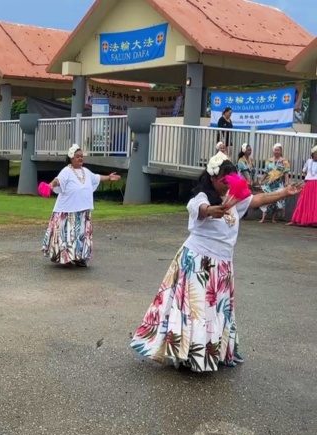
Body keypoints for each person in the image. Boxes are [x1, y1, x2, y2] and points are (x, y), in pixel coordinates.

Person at [129, 152, 303, 372]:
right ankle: (190, 355)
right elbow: (199, 209)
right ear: (212, 178)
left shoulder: (234, 199)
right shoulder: (202, 196)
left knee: (215, 310)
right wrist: (212, 210)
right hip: (199, 262)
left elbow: (256, 199)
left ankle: (210, 352)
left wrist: (284, 192)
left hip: (222, 266)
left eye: (229, 181)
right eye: (223, 181)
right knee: (197, 310)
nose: (226, 185)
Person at [42, 144, 121, 267]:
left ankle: (80, 257)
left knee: (81, 236)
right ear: (71, 158)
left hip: (83, 211)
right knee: (68, 235)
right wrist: (51, 185)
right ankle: (66, 258)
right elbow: (58, 180)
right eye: (77, 156)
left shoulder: (86, 172)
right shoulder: (67, 171)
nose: (80, 159)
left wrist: (109, 178)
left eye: (81, 156)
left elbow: (97, 178)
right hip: (68, 211)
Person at [259, 143, 290, 223]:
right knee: (266, 199)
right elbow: (266, 172)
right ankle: (263, 218)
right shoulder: (269, 161)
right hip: (269, 184)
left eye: (278, 150)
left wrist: (287, 182)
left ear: (281, 151)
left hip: (279, 184)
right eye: (275, 150)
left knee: (277, 200)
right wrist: (261, 180)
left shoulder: (285, 161)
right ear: (273, 151)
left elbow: (286, 173)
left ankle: (273, 218)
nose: (277, 152)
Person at [288, 145, 317, 227]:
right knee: (304, 201)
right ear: (313, 153)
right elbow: (304, 170)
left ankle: (314, 221)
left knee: (314, 202)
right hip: (308, 183)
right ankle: (299, 219)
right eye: (316, 153)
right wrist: (307, 176)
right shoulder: (309, 161)